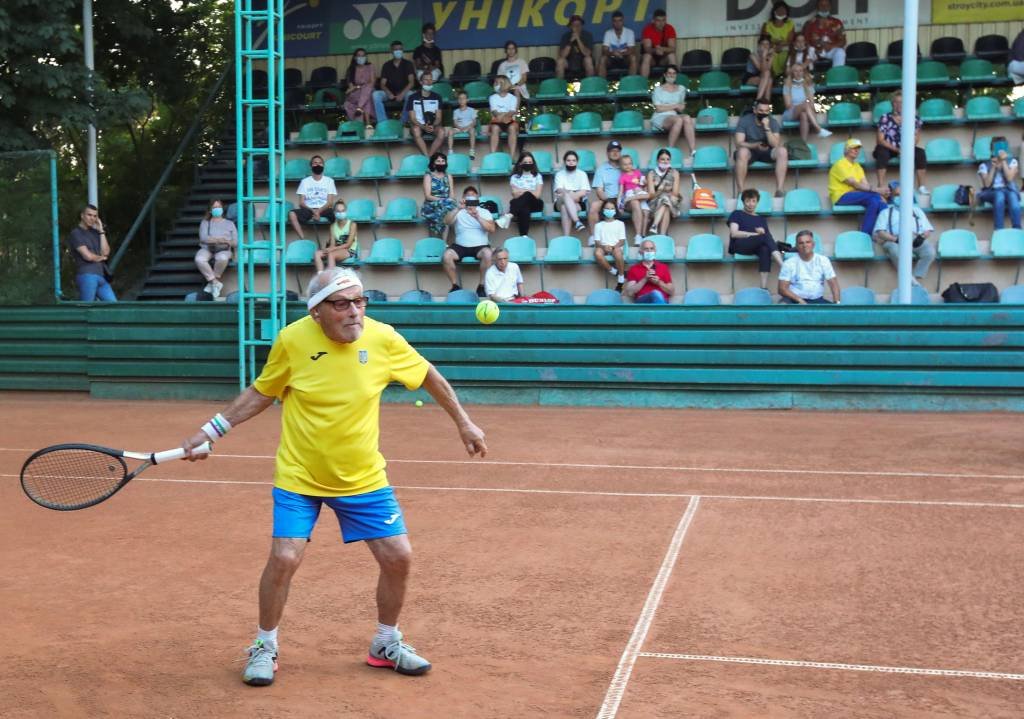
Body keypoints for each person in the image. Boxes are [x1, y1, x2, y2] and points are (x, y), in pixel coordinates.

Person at [180, 266, 486, 686]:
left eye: (360, 301)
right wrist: (211, 431)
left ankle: (385, 642)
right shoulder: (292, 340)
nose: (354, 312)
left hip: (362, 477)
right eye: (341, 304)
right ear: (316, 312)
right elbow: (262, 392)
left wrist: (464, 423)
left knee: (399, 557)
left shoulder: (383, 338)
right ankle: (264, 645)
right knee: (285, 558)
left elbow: (428, 374)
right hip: (299, 475)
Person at [872, 181, 936, 286]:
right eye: (897, 195)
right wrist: (894, 239)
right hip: (894, 240)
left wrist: (922, 237)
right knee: (894, 250)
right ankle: (909, 278)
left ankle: (915, 277)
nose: (900, 197)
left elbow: (927, 229)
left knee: (930, 252)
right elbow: (880, 232)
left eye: (902, 195)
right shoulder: (886, 212)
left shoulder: (916, 210)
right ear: (892, 197)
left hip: (914, 239)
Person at [873, 90, 929, 194]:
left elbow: (916, 138)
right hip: (888, 147)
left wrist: (905, 150)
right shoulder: (885, 118)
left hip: (905, 148)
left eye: (902, 102)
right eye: (896, 102)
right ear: (892, 104)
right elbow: (880, 140)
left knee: (920, 153)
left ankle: (921, 186)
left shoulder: (914, 119)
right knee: (881, 152)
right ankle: (880, 185)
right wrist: (897, 150)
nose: (899, 105)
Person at [829, 138, 889, 235]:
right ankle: (881, 230)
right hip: (841, 196)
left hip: (856, 195)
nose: (856, 150)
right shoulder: (840, 164)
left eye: (858, 148)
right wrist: (878, 191)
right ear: (847, 150)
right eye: (853, 148)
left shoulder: (857, 166)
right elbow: (855, 184)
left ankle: (875, 232)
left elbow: (865, 184)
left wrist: (878, 194)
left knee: (875, 201)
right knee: (875, 197)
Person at [443, 186, 495, 297]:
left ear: (477, 198)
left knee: (488, 254)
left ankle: (481, 286)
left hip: (480, 246)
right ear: (463, 198)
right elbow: (446, 221)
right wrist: (458, 209)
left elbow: (492, 229)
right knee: (446, 255)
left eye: (473, 196)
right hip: (460, 246)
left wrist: (477, 217)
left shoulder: (484, 212)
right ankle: (455, 285)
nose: (470, 198)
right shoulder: (458, 211)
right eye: (468, 196)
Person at [728, 188, 784, 291]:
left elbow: (768, 238)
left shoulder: (761, 219)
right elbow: (734, 233)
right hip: (740, 245)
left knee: (765, 248)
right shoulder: (737, 214)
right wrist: (755, 234)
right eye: (748, 201)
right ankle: (783, 267)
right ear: (743, 202)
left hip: (755, 246)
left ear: (757, 202)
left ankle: (763, 287)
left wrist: (761, 236)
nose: (750, 204)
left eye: (753, 201)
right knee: (764, 236)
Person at [734, 97, 789, 197]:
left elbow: (775, 144)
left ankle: (779, 190)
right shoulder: (745, 121)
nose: (763, 113)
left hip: (767, 151)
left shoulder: (772, 122)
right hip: (750, 151)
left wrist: (767, 128)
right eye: (761, 110)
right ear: (755, 110)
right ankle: (741, 191)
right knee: (742, 152)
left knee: (782, 151)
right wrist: (754, 145)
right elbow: (738, 143)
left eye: (766, 111)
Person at [68, 204, 117, 302]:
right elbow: (87, 256)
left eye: (95, 216)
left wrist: (101, 231)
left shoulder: (96, 232)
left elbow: (106, 252)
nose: (92, 218)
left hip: (101, 277)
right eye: (89, 215)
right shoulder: (76, 233)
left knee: (114, 307)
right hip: (87, 276)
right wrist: (101, 258)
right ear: (82, 216)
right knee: (87, 309)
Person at [778, 230, 840, 304]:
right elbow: (782, 289)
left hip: (817, 300)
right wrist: (799, 300)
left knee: (833, 313)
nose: (805, 245)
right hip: (794, 300)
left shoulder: (823, 260)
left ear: (813, 244)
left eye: (808, 242)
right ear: (796, 246)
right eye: (801, 243)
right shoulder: (789, 263)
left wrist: (837, 303)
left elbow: (834, 285)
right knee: (782, 305)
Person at [650, 65, 696, 157]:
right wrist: (675, 105)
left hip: (674, 115)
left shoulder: (681, 88)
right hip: (661, 116)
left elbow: (681, 107)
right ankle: (670, 151)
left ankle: (693, 150)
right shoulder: (658, 89)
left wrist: (670, 106)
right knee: (678, 120)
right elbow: (659, 109)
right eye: (669, 73)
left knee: (686, 118)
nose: (672, 75)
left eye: (674, 73)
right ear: (665, 75)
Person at [196, 198, 237, 298]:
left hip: (224, 249)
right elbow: (203, 239)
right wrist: (220, 240)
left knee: (222, 258)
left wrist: (226, 241)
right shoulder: (205, 222)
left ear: (222, 209)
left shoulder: (229, 223)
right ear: (210, 210)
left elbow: (235, 242)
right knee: (199, 259)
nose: (217, 209)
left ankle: (213, 282)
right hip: (207, 248)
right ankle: (215, 282)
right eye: (214, 207)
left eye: (219, 207)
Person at [977, 136, 1021, 230]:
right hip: (991, 191)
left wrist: (1004, 162)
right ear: (992, 149)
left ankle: (1017, 229)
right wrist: (993, 167)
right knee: (999, 195)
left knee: (1013, 197)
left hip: (1008, 189)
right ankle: (999, 229)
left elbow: (1009, 178)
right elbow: (987, 184)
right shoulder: (984, 165)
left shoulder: (1012, 162)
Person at [288, 156, 336, 241]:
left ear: (323, 166)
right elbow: (301, 203)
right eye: (315, 163)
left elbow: (330, 202)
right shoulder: (305, 181)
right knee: (292, 214)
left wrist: (318, 211)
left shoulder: (329, 181)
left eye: (320, 163)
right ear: (311, 166)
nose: (318, 165)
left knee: (338, 213)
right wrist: (313, 211)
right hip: (309, 209)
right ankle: (303, 239)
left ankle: (333, 240)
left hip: (324, 208)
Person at [782, 62, 830, 142]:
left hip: (804, 110)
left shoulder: (808, 85)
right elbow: (788, 105)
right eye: (795, 71)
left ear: (803, 72)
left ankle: (803, 143)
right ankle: (818, 129)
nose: (798, 73)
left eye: (800, 71)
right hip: (790, 113)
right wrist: (801, 106)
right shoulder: (787, 85)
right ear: (792, 73)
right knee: (805, 105)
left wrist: (812, 113)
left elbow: (812, 104)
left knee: (804, 115)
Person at [587, 141, 623, 243]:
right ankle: (594, 237)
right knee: (594, 206)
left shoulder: (625, 166)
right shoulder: (601, 169)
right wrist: (608, 201)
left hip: (624, 199)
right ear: (607, 153)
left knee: (637, 205)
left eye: (617, 151)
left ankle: (639, 236)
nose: (615, 153)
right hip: (607, 198)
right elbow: (599, 190)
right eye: (612, 151)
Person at [373, 40, 415, 124]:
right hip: (390, 93)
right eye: (396, 49)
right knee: (375, 95)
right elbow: (382, 84)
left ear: (402, 50)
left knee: (410, 95)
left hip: (404, 92)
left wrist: (402, 94)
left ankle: (402, 122)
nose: (398, 51)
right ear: (391, 51)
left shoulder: (408, 64)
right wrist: (388, 93)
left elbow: (411, 82)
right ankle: (383, 122)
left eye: (400, 49)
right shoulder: (387, 65)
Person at [404, 80, 449, 157]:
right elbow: (412, 118)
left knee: (442, 132)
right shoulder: (412, 97)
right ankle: (426, 156)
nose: (429, 82)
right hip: (418, 125)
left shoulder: (437, 97)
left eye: (430, 79)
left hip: (432, 126)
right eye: (426, 80)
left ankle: (429, 156)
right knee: (416, 130)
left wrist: (433, 125)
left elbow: (438, 118)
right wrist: (424, 127)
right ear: (421, 82)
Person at [623, 237, 674, 303]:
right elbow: (630, 293)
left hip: (662, 300)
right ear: (641, 252)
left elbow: (671, 292)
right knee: (655, 293)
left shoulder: (663, 267)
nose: (649, 251)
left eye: (651, 249)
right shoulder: (634, 269)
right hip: (643, 302)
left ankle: (661, 310)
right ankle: (662, 312)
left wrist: (659, 282)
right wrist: (645, 279)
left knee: (656, 294)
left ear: (655, 251)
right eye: (646, 249)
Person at [646, 148, 683, 237]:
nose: (665, 161)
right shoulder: (651, 174)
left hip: (672, 200)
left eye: (668, 159)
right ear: (657, 160)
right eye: (662, 159)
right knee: (665, 202)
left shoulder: (675, 173)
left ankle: (655, 225)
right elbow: (651, 195)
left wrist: (664, 191)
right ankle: (662, 235)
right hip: (655, 202)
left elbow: (675, 193)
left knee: (665, 199)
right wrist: (661, 190)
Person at [553, 150, 591, 236]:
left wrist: (570, 195)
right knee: (565, 197)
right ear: (564, 161)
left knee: (564, 207)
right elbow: (559, 190)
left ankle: (566, 237)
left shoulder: (582, 174)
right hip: (560, 201)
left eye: (573, 160)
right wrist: (571, 195)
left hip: (579, 202)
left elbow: (584, 191)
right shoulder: (559, 174)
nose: (571, 162)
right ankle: (577, 221)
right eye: (568, 160)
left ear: (577, 162)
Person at [421, 152, 457, 240]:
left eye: (443, 161)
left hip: (446, 203)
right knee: (445, 211)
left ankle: (443, 243)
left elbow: (452, 194)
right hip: (431, 204)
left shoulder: (448, 176)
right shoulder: (428, 176)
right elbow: (427, 196)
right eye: (438, 161)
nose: (441, 163)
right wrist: (442, 200)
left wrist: (449, 200)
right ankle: (443, 242)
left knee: (453, 210)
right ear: (433, 163)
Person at [593, 198, 627, 290]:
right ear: (603, 210)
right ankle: (613, 271)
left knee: (618, 252)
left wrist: (613, 247)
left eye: (612, 209)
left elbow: (622, 240)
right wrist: (604, 247)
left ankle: (621, 278)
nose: (609, 211)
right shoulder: (598, 225)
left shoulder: (620, 224)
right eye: (607, 208)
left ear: (615, 210)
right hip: (603, 247)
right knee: (597, 253)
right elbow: (597, 242)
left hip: (616, 247)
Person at [508, 152, 544, 237]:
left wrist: (523, 191)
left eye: (530, 162)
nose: (528, 164)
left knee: (526, 196)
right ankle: (524, 236)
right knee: (523, 208)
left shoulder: (537, 176)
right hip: (521, 204)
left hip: (536, 204)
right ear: (520, 163)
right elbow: (515, 195)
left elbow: (537, 195)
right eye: (525, 162)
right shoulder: (514, 177)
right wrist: (530, 191)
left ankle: (509, 215)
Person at [802, 0, 847, 67]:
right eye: (821, 5)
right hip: (814, 52)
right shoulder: (809, 23)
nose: (824, 7)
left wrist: (831, 46)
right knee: (807, 55)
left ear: (830, 7)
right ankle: (809, 76)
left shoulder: (837, 22)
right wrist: (814, 49)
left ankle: (836, 76)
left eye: (827, 5)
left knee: (840, 52)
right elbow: (804, 41)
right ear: (817, 8)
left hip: (831, 50)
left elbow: (843, 41)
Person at [316, 200, 358, 272]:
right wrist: (329, 249)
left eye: (343, 211)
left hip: (349, 250)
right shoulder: (332, 226)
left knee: (331, 255)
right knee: (317, 254)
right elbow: (332, 244)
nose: (341, 213)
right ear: (334, 213)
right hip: (336, 249)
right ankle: (321, 276)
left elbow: (348, 244)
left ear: (346, 211)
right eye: (338, 211)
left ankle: (330, 278)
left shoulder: (352, 224)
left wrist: (332, 249)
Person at [617, 152, 649, 245]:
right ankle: (638, 236)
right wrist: (619, 204)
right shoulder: (623, 177)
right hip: (629, 194)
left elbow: (644, 183)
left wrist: (643, 184)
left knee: (646, 212)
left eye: (630, 163)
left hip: (639, 193)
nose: (628, 166)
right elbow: (621, 192)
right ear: (621, 166)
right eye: (625, 164)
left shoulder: (637, 172)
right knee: (635, 202)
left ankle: (643, 235)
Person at [598, 10, 638, 77]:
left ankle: (632, 84)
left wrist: (621, 54)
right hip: (612, 59)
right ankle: (601, 84)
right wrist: (613, 53)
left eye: (620, 20)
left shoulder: (629, 32)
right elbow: (604, 50)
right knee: (603, 59)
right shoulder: (608, 33)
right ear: (612, 22)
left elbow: (632, 50)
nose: (617, 23)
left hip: (625, 59)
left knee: (633, 58)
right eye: (615, 21)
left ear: (623, 21)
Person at [640, 8, 677, 78]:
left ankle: (673, 84)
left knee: (672, 55)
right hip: (652, 59)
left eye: (663, 20)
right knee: (647, 56)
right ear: (653, 21)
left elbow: (673, 48)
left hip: (663, 58)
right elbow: (647, 49)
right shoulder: (647, 29)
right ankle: (643, 85)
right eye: (658, 21)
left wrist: (662, 49)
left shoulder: (670, 28)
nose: (661, 23)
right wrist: (656, 50)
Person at [487, 75, 519, 157]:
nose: (497, 84)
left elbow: (512, 111)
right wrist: (500, 116)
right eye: (496, 82)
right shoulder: (492, 97)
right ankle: (492, 155)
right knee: (495, 128)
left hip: (509, 120)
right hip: (497, 121)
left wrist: (504, 115)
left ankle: (512, 156)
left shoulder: (512, 98)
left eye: (499, 82)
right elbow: (494, 111)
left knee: (512, 128)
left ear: (506, 84)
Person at [761, 1, 795, 76]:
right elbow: (764, 41)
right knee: (770, 54)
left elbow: (790, 41)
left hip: (785, 49)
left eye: (783, 10)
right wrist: (775, 46)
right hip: (772, 49)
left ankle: (785, 76)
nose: (781, 12)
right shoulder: (767, 25)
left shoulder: (789, 24)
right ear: (774, 11)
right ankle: (772, 77)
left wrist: (780, 45)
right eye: (779, 10)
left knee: (789, 54)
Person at [556, 14, 595, 80]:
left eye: (579, 25)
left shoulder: (588, 35)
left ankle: (591, 88)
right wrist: (570, 41)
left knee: (588, 59)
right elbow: (563, 55)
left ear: (582, 26)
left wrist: (578, 39)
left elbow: (587, 53)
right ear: (570, 26)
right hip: (570, 62)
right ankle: (559, 88)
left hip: (583, 63)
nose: (577, 27)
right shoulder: (565, 36)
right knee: (560, 61)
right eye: (574, 25)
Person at [343, 48, 376, 123]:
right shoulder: (351, 69)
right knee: (363, 97)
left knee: (367, 91)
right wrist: (358, 87)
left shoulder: (370, 66)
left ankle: (360, 109)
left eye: (363, 56)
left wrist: (363, 87)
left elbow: (372, 82)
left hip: (369, 90)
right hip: (356, 92)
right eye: (359, 56)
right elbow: (351, 87)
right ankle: (364, 123)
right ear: (355, 57)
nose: (361, 57)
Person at [745, 35, 776, 101]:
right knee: (768, 77)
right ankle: (760, 101)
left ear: (770, 46)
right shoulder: (753, 55)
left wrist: (768, 57)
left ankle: (764, 104)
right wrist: (764, 57)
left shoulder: (771, 56)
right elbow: (761, 69)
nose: (765, 46)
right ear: (759, 46)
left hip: (764, 77)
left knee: (769, 79)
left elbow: (768, 69)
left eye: (767, 44)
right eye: (763, 44)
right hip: (751, 77)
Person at [448, 91, 478, 159]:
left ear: (467, 100)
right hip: (459, 128)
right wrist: (460, 127)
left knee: (472, 130)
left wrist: (467, 127)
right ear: (458, 100)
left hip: (469, 127)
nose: (461, 100)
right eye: (460, 98)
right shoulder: (456, 111)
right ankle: (450, 151)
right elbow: (455, 123)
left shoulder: (472, 110)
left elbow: (474, 122)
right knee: (450, 131)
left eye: (464, 98)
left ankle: (472, 151)